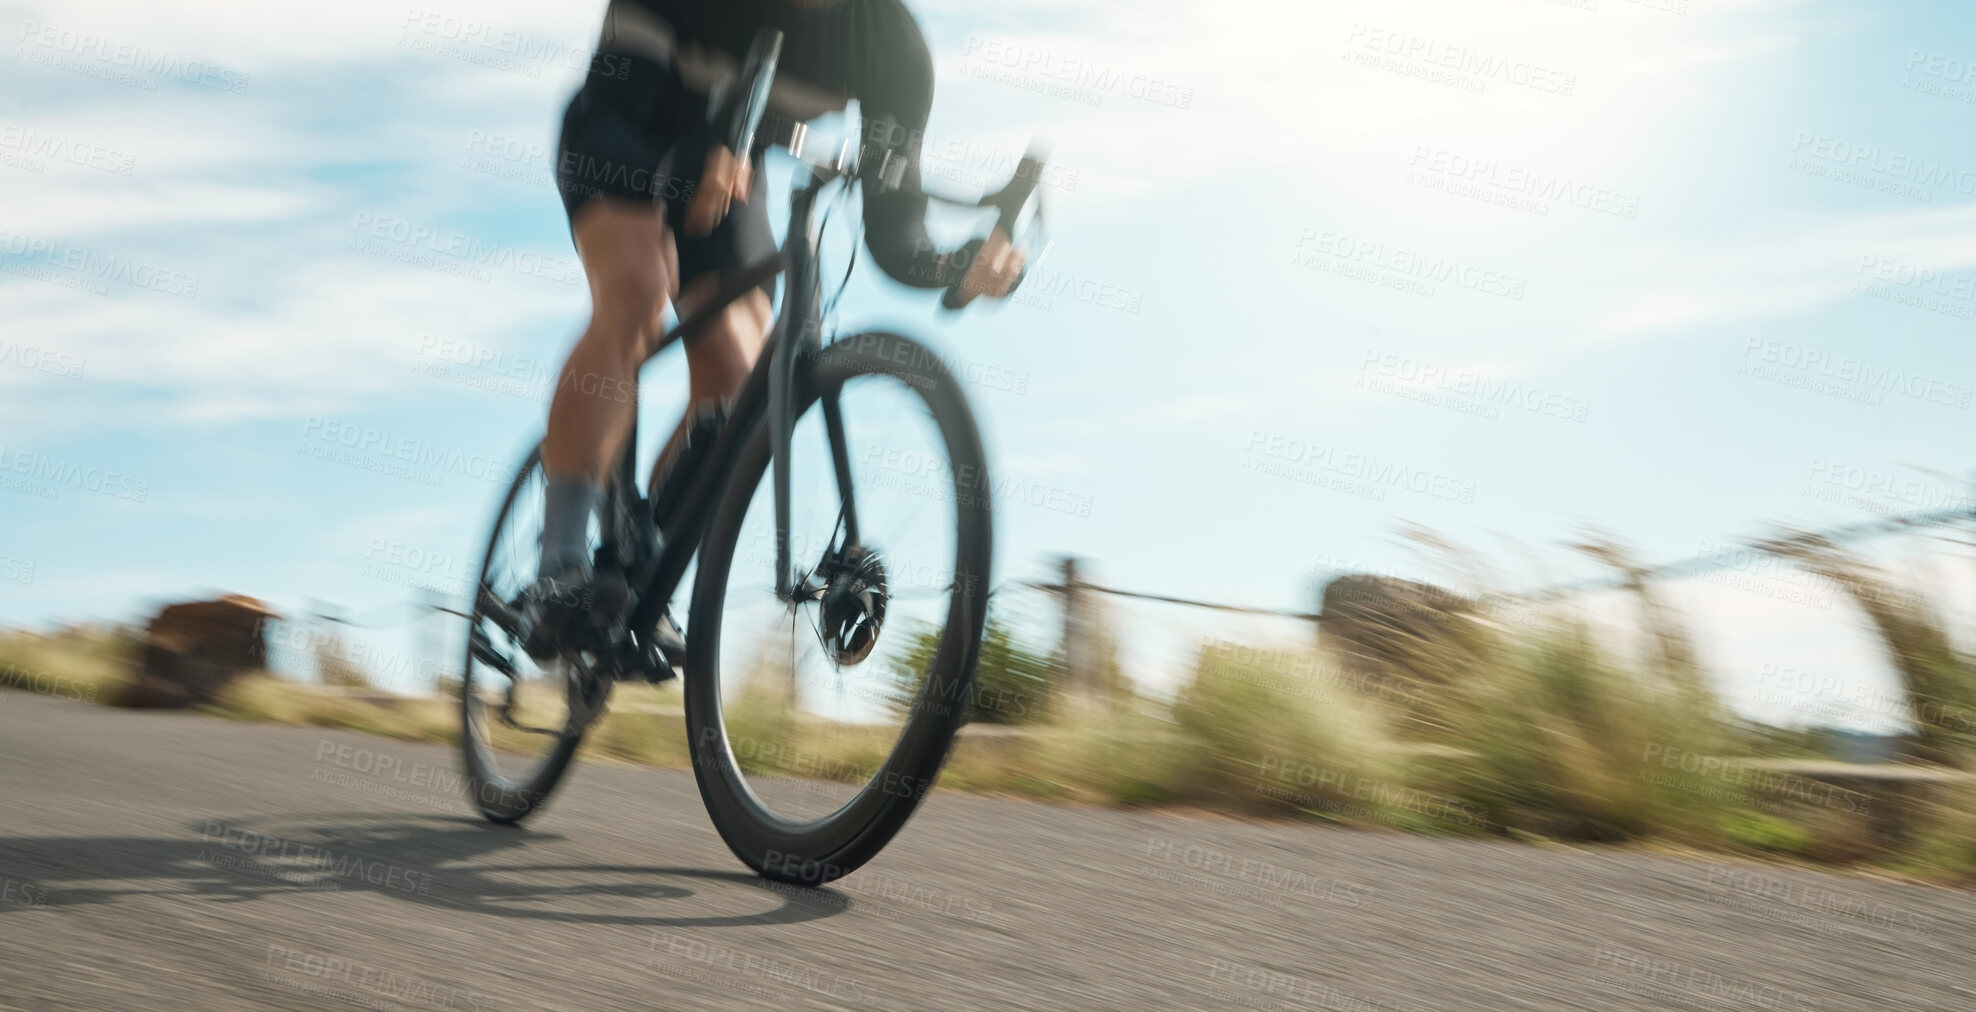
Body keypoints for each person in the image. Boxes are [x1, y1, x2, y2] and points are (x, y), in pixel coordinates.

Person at [528, 0, 1024, 654]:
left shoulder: (893, 49)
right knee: (637, 295)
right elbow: (618, 106)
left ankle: (635, 565)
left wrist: (954, 266)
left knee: (740, 377)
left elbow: (893, 231)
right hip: (624, 131)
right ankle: (557, 569)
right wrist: (685, 164)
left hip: (734, 167)